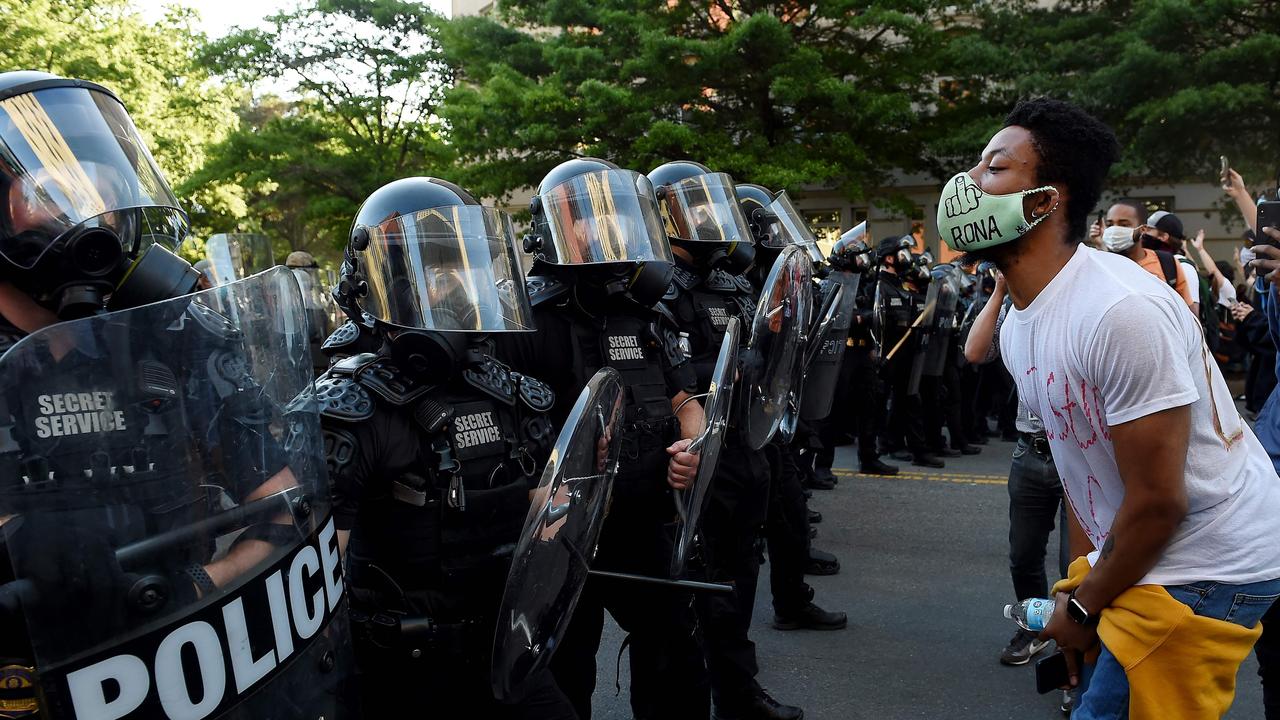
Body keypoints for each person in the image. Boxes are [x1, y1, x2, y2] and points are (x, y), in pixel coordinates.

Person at [0, 71, 340, 718]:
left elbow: (285, 507)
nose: (86, 208)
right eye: (50, 189)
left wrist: (195, 586)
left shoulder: (172, 340)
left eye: (101, 185)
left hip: (183, 675)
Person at [940, 96, 1280, 719]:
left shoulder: (1120, 313)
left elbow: (1159, 501)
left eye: (994, 167)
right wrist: (1082, 582)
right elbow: (1083, 472)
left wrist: (1087, 606)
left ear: (1047, 198)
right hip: (1151, 547)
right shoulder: (1020, 321)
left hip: (1210, 559)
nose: (968, 184)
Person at [318, 176, 577, 719]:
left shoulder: (508, 389)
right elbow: (319, 570)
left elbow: (545, 513)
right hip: (404, 671)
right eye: (435, 269)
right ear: (382, 279)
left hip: (505, 647)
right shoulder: (352, 408)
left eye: (462, 266)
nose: (455, 285)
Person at [497, 157, 709, 720]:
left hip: (642, 522)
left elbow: (686, 400)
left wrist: (692, 443)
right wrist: (533, 499)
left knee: (675, 655)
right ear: (556, 227)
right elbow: (500, 436)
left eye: (614, 217)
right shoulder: (521, 322)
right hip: (562, 537)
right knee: (566, 671)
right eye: (590, 218)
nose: (606, 230)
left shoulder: (641, 315)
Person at [651, 161, 803, 720]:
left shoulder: (733, 281)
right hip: (697, 457)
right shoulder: (660, 288)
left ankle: (739, 692)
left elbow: (766, 355)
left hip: (748, 444)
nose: (711, 220)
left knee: (742, 572)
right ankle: (718, 693)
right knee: (704, 584)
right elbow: (669, 378)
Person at [963, 272, 1070, 677]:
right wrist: (999, 290)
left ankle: (1075, 647)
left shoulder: (1075, 307)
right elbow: (975, 352)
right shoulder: (1014, 310)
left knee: (1072, 565)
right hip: (1029, 453)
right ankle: (1034, 628)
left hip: (1074, 454)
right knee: (1023, 555)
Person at [827, 226, 897, 475]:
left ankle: (869, 457)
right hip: (840, 355)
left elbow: (871, 315)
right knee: (834, 410)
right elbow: (842, 318)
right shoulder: (831, 283)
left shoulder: (863, 285)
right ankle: (823, 466)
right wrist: (861, 318)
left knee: (870, 405)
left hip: (862, 353)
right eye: (858, 254)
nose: (863, 259)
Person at [875, 237, 944, 468]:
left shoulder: (900, 285)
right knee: (889, 401)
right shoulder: (879, 285)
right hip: (887, 355)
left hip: (906, 354)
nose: (906, 257)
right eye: (901, 252)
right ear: (889, 258)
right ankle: (889, 445)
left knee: (908, 400)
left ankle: (909, 447)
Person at [1096, 200, 1196, 309]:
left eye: (1124, 225)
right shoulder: (1098, 266)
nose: (1115, 230)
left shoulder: (1167, 263)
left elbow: (1191, 316)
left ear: (1143, 229)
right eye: (1110, 225)